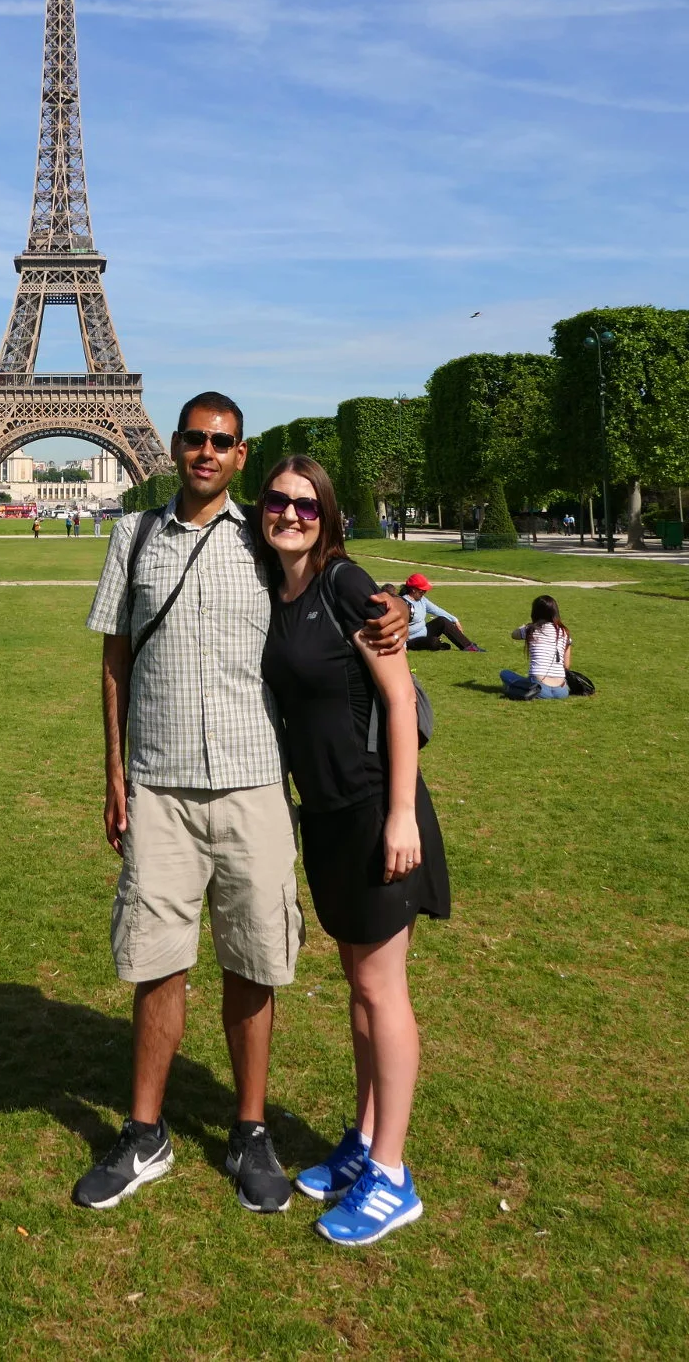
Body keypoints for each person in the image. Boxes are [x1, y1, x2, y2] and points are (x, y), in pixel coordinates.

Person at [74, 394, 409, 1217]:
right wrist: (113, 772)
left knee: (255, 959)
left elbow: (326, 568)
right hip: (159, 781)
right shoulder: (134, 535)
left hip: (257, 781)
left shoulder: (263, 537)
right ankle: (144, 1130)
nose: (204, 451)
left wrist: (391, 606)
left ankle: (251, 1129)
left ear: (240, 454)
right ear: (178, 445)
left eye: (220, 442)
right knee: (156, 960)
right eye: (193, 438)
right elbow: (115, 660)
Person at [258, 455, 450, 1246]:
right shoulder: (277, 589)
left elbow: (400, 697)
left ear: (328, 516)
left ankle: (393, 1175)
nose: (291, 515)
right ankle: (367, 1142)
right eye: (277, 502)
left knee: (382, 990)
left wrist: (401, 815)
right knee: (360, 988)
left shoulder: (343, 582)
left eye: (307, 506)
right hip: (329, 816)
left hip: (376, 810)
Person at [500, 596, 571, 698]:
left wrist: (522, 627)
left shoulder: (531, 629)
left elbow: (514, 634)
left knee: (505, 673)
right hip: (562, 691)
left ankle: (513, 689)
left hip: (539, 689)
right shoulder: (564, 632)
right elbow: (567, 665)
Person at [400, 574, 484, 654]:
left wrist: (455, 620)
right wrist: (403, 645)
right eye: (422, 590)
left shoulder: (422, 600)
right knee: (433, 642)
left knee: (442, 620)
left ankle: (468, 646)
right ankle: (439, 644)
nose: (424, 592)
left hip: (424, 631)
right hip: (411, 639)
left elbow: (437, 610)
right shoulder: (403, 604)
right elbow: (399, 627)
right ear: (413, 589)